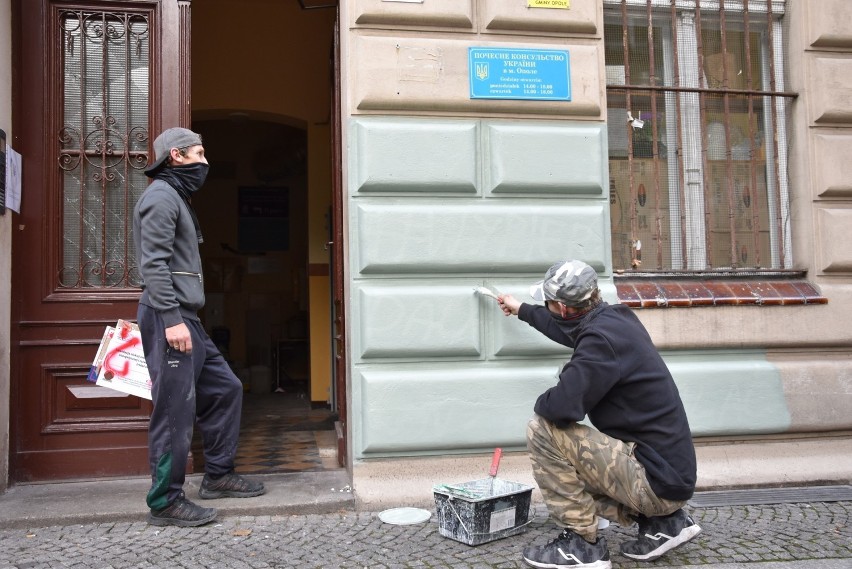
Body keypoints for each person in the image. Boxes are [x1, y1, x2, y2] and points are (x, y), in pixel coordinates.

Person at [496, 260, 701, 569]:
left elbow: (559, 409)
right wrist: (521, 309)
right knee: (576, 440)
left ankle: (581, 545)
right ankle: (666, 525)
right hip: (671, 476)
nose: (546, 307)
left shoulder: (599, 344)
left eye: (548, 302)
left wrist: (567, 379)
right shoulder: (616, 319)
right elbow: (568, 330)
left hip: (655, 483)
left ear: (564, 309)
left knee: (543, 430)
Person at [133, 127, 265, 527]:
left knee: (225, 388)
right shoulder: (160, 197)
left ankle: (218, 475)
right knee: (175, 411)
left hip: (186, 317)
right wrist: (172, 320)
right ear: (176, 156)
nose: (205, 162)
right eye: (199, 153)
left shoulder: (175, 197)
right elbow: (153, 264)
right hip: (168, 316)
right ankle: (165, 502)